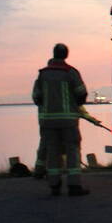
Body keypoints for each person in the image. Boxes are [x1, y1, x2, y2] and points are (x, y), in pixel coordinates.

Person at [32, 43, 89, 196]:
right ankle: (74, 186)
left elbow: (36, 97)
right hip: (68, 121)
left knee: (52, 152)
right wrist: (75, 105)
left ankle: (54, 185)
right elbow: (82, 93)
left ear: (54, 54)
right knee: (72, 151)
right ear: (66, 55)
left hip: (48, 122)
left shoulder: (42, 74)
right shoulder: (70, 72)